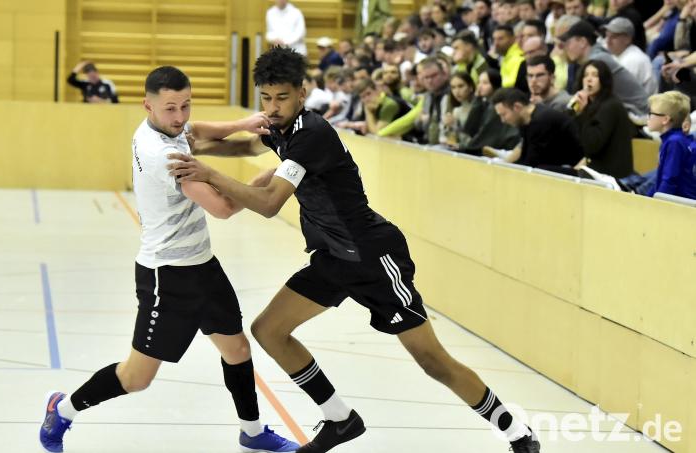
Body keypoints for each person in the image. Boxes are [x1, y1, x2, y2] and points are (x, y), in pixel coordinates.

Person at [166, 46, 542, 453]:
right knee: (269, 331)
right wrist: (188, 143)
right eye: (266, 98)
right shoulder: (279, 127)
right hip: (333, 258)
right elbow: (244, 146)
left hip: (374, 259)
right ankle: (340, 419)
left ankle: (516, 431)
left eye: (282, 98)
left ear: (303, 93)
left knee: (432, 361)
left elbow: (271, 203)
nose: (272, 108)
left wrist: (207, 172)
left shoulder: (311, 134)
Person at [38, 66, 300, 453]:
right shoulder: (163, 154)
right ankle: (63, 410)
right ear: (148, 105)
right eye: (170, 109)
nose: (180, 117)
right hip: (168, 278)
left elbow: (203, 131)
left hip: (203, 266)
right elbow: (225, 207)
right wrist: (275, 175)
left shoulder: (166, 129)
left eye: (185, 105)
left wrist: (247, 124)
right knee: (136, 377)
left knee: (237, 349)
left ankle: (253, 430)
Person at [558, 20, 648, 116]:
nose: (565, 48)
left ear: (582, 42)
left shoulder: (597, 61)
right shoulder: (593, 58)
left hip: (637, 113)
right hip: (625, 111)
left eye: (568, 43)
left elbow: (582, 99)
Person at [490, 87, 584, 172]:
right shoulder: (526, 120)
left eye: (504, 114)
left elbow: (531, 164)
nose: (503, 120)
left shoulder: (541, 121)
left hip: (574, 165)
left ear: (517, 107)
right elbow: (525, 154)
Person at [570, 60, 635, 178]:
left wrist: (583, 113)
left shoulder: (610, 106)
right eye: (586, 75)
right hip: (594, 168)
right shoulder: (592, 105)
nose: (589, 79)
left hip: (609, 176)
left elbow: (592, 145)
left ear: (604, 80)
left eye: (594, 75)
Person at [646, 90, 696, 199]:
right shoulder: (671, 140)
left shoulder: (675, 142)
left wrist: (654, 205)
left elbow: (669, 181)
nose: (648, 118)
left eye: (651, 114)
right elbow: (660, 182)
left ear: (665, 119)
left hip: (683, 206)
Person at [603, 17, 658, 96]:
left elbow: (621, 94)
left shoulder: (634, 60)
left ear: (627, 39)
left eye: (613, 37)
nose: (608, 41)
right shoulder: (617, 54)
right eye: (607, 36)